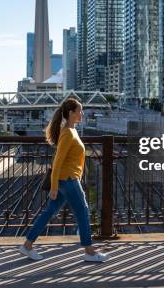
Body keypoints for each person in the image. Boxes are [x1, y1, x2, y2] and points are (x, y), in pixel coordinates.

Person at [19, 98, 109, 262]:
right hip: (68, 180)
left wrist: (59, 184)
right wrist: (54, 187)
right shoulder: (67, 133)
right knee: (83, 212)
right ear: (71, 113)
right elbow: (57, 162)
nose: (82, 113)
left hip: (66, 179)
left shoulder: (72, 131)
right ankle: (89, 251)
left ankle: (27, 245)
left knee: (49, 212)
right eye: (79, 111)